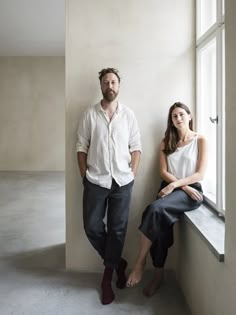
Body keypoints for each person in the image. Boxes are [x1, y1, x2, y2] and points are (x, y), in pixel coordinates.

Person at [126, 102, 207, 297]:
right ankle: (158, 276)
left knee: (153, 210)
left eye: (181, 115)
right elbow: (163, 172)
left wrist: (178, 186)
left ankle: (140, 263)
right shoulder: (166, 142)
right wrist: (178, 186)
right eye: (174, 116)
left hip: (191, 193)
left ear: (189, 116)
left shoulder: (200, 140)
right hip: (173, 188)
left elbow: (199, 174)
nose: (178, 119)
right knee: (159, 227)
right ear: (171, 121)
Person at [76, 68, 142, 305]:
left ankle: (107, 278)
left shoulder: (129, 115)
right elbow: (81, 146)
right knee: (92, 226)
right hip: (96, 180)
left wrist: (132, 173)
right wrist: (84, 175)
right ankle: (118, 263)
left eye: (113, 82)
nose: (110, 85)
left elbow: (136, 146)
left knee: (117, 229)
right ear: (101, 86)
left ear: (119, 85)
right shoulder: (89, 114)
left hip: (123, 181)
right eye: (106, 82)